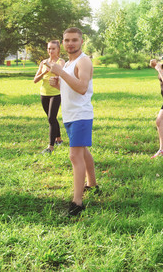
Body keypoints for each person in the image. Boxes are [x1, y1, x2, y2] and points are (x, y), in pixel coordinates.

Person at [46, 27, 98, 217]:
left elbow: (82, 88)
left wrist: (60, 72)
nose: (70, 43)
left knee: (75, 156)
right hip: (70, 115)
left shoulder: (83, 61)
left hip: (81, 116)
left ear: (81, 41)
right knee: (82, 151)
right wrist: (58, 83)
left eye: (74, 40)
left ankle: (77, 203)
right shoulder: (69, 62)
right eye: (67, 40)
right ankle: (92, 184)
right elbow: (71, 87)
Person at [33, 40, 65, 154]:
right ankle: (59, 139)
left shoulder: (61, 62)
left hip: (56, 93)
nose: (50, 51)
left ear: (58, 50)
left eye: (53, 49)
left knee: (51, 118)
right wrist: (43, 73)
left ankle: (50, 147)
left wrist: (51, 67)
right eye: (49, 48)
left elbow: (60, 73)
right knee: (52, 118)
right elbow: (35, 80)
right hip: (44, 93)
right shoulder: (43, 62)